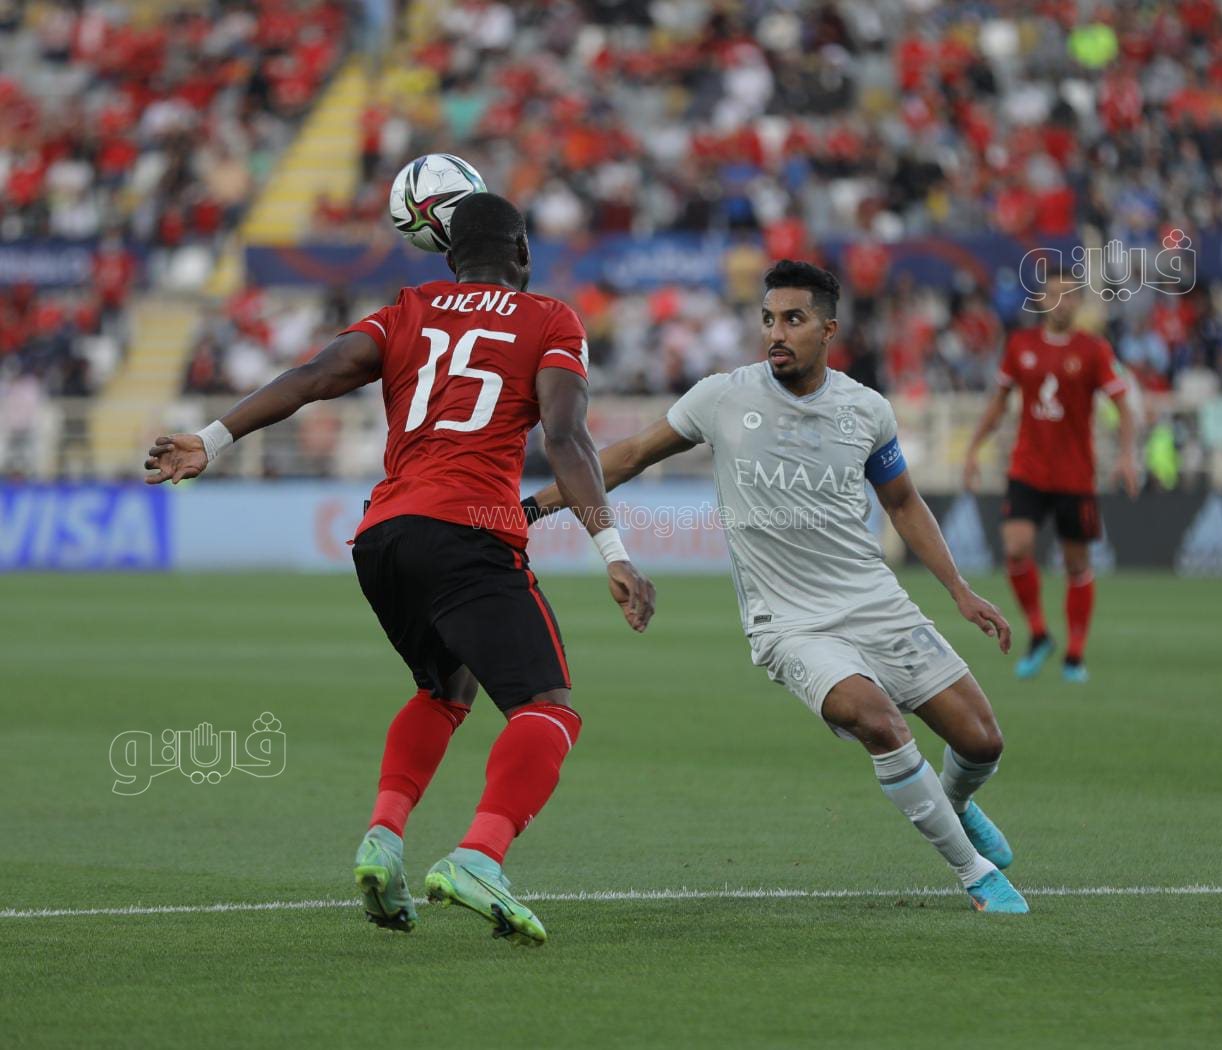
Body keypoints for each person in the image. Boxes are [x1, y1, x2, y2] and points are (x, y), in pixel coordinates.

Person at [145, 193, 656, 946]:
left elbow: (316, 375)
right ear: (521, 253)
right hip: (469, 530)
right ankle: (479, 856)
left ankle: (383, 840)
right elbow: (568, 436)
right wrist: (613, 549)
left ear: (448, 257)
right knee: (549, 707)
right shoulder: (550, 318)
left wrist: (212, 439)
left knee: (445, 689)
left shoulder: (407, 308)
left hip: (383, 537)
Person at [526, 260, 1028, 913]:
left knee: (982, 741)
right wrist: (528, 509)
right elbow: (622, 458)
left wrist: (959, 589)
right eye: (768, 319)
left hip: (875, 602)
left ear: (829, 328)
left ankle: (955, 803)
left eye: (793, 319)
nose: (776, 332)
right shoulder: (721, 397)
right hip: (791, 625)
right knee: (879, 723)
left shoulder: (865, 409)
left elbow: (903, 502)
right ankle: (977, 875)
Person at [963, 273, 1138, 684]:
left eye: (1069, 295)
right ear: (1041, 300)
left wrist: (1128, 456)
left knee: (1077, 564)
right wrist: (972, 449)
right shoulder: (1021, 345)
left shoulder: (1094, 350)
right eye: (1054, 294)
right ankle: (1039, 633)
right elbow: (999, 403)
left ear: (1078, 303)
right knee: (1016, 547)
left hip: (1075, 476)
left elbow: (1124, 406)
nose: (1061, 302)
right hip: (1028, 469)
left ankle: (1075, 655)